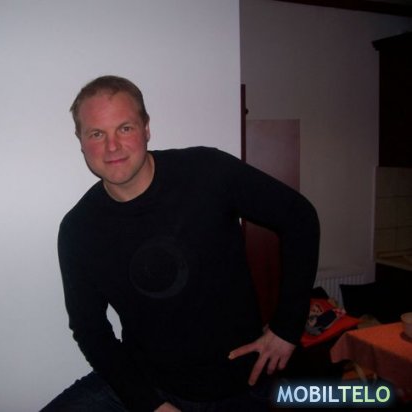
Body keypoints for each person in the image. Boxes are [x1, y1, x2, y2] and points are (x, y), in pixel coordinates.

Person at [41, 75, 320, 412]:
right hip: (148, 385)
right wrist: (150, 405)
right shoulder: (79, 230)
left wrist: (288, 327)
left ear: (146, 128)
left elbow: (299, 217)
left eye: (125, 128)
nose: (112, 146)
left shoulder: (207, 172)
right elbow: (90, 331)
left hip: (241, 383)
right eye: (97, 134)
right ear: (81, 141)